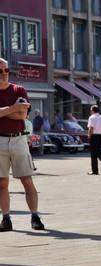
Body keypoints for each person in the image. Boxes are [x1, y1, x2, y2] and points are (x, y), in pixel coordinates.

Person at [0, 57, 45, 232]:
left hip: (19, 139)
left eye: (6, 70)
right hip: (0, 140)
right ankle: (6, 219)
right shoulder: (16, 96)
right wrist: (14, 108)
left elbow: (22, 116)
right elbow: (17, 112)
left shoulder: (19, 89)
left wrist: (4, 112)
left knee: (27, 179)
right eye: (0, 71)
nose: (4, 74)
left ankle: (35, 217)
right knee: (2, 182)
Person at [87, 105, 101, 175]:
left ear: (93, 110)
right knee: (97, 152)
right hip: (100, 136)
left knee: (93, 154)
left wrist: (89, 136)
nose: (90, 112)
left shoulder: (92, 118)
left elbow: (91, 128)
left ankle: (95, 170)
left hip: (94, 136)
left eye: (91, 110)